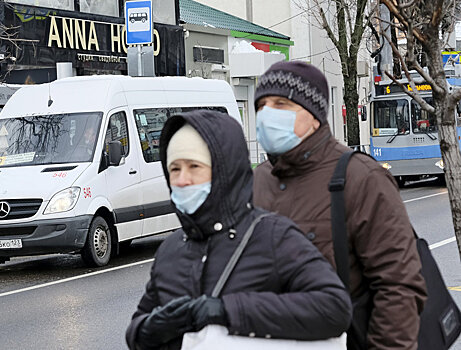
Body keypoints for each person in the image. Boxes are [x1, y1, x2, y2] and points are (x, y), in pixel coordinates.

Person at [126, 110, 352, 350]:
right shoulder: (170, 250)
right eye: (174, 169)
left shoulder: (273, 236)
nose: (182, 180)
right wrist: (152, 329)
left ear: (225, 172)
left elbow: (334, 308)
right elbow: (136, 331)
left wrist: (228, 310)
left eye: (194, 166)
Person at [252, 61, 427, 350]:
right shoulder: (256, 181)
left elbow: (399, 286)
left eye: (281, 104)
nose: (266, 114)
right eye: (261, 106)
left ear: (315, 116)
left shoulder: (361, 177)